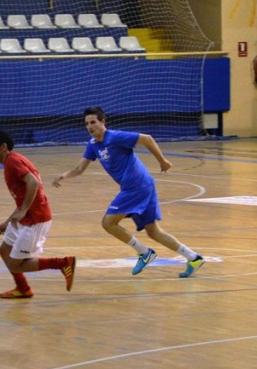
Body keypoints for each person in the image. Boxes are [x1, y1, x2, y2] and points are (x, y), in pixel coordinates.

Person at [52, 107, 205, 278]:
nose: (90, 126)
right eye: (87, 124)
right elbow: (80, 168)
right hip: (143, 186)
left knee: (108, 223)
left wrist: (162, 161)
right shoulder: (93, 145)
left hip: (137, 186)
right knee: (153, 231)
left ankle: (144, 253)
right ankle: (193, 257)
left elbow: (147, 138)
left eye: (93, 122)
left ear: (103, 122)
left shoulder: (116, 137)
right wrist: (64, 176)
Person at [0, 131, 76, 298]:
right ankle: (23, 289)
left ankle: (63, 263)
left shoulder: (13, 162)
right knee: (4, 251)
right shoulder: (11, 162)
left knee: (15, 265)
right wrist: (9, 220)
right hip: (26, 217)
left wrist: (23, 211)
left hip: (36, 219)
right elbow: (23, 197)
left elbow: (33, 182)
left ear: (4, 147)